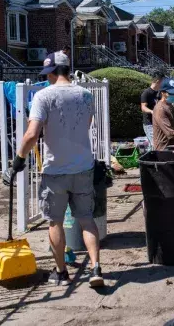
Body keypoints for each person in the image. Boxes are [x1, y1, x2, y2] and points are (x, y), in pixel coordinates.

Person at [12, 51, 104, 288]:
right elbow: (89, 124)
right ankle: (95, 268)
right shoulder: (85, 95)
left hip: (56, 171)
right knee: (86, 220)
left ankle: (62, 273)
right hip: (84, 167)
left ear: (52, 72)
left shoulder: (43, 96)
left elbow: (32, 133)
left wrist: (19, 159)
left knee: (55, 222)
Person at [140, 71, 165, 147]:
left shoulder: (160, 93)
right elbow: (143, 107)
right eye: (162, 81)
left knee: (158, 144)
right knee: (155, 144)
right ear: (158, 81)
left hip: (158, 122)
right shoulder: (146, 93)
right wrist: (151, 111)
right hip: (149, 124)